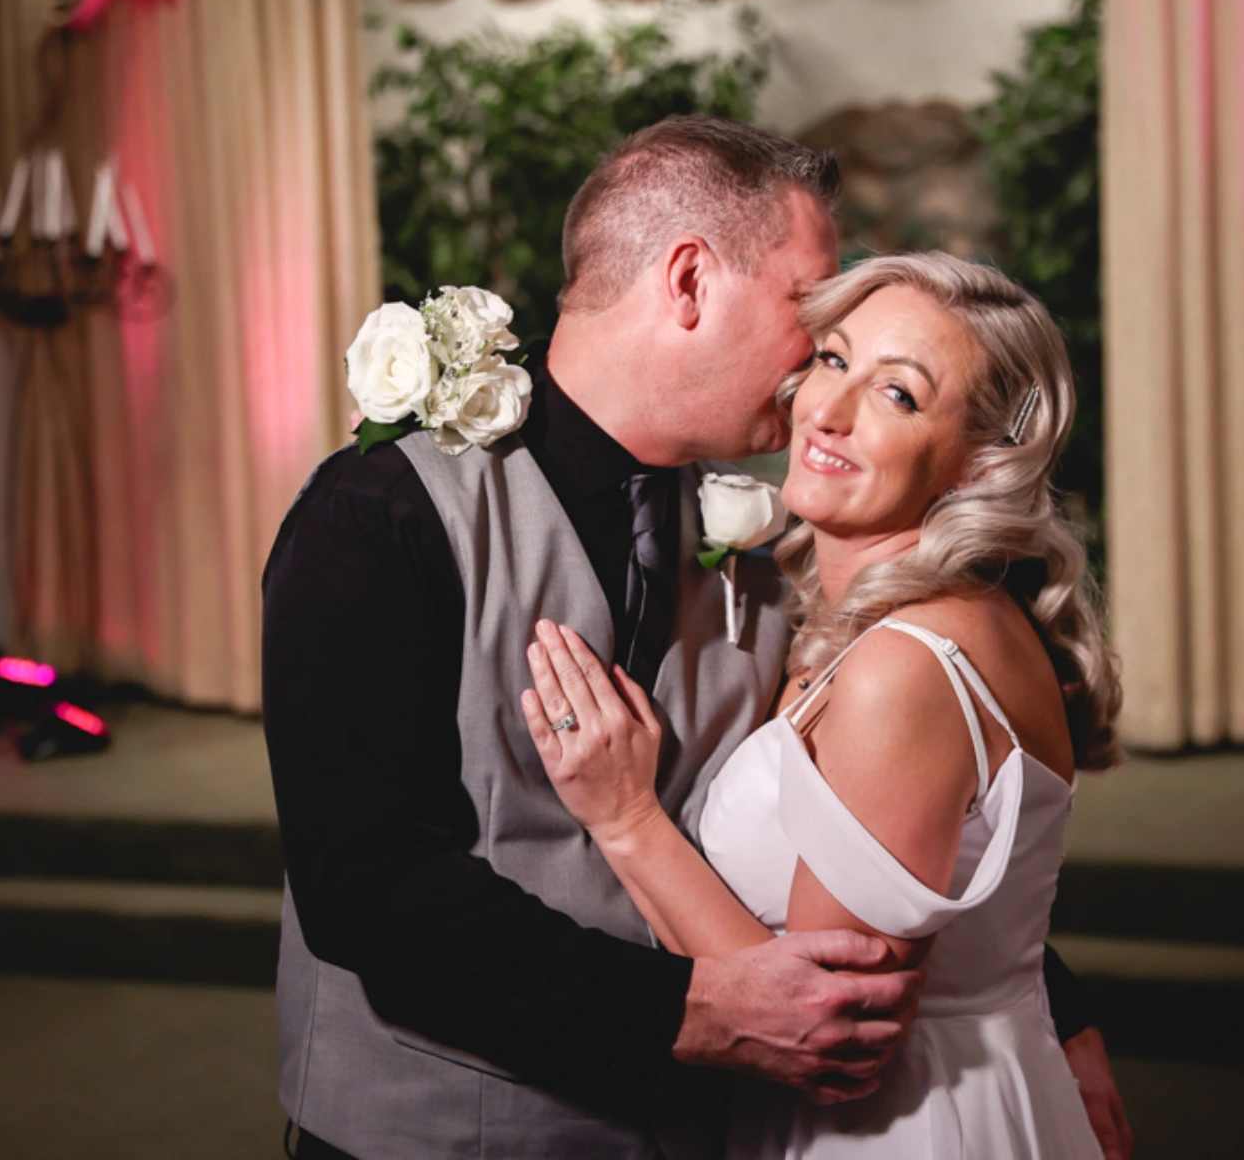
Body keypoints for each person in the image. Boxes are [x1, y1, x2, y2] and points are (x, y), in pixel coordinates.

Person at [262, 118, 1130, 1159]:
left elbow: (884, 815)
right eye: (810, 312)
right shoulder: (380, 513)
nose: (814, 359)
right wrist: (690, 1011)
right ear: (687, 285)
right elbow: (369, 889)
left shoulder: (766, 533)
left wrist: (1043, 995)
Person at [521, 251, 1124, 1158]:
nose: (829, 412)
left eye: (900, 395)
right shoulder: (882, 620)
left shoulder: (905, 668)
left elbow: (828, 1031)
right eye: (835, 360)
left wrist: (627, 817)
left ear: (974, 467)